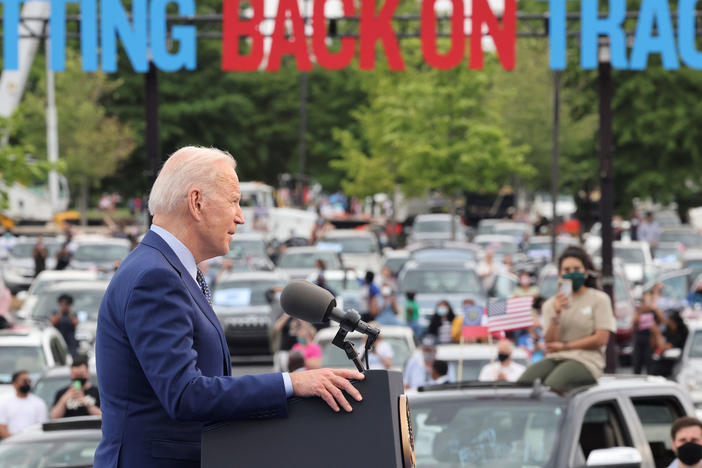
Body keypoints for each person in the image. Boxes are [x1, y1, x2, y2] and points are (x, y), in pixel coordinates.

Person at [94, 146, 363, 467]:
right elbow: (185, 394)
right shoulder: (155, 276)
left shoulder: (167, 269)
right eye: (234, 201)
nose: (241, 216)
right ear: (197, 202)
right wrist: (293, 383)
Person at [517, 246, 615, 391]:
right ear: (560, 275)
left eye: (576, 269)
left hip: (586, 360)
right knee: (523, 384)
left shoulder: (599, 299)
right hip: (556, 358)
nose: (572, 274)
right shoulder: (551, 304)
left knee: (552, 385)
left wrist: (565, 346)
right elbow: (550, 343)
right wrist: (556, 314)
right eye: (567, 270)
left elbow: (601, 339)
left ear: (586, 272)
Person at [0, 371, 48, 439]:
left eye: (29, 381)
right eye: (24, 381)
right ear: (15, 383)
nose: (27, 383)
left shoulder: (39, 403)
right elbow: (2, 427)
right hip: (10, 444)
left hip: (34, 443)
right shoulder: (4, 403)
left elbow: (42, 426)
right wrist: (13, 442)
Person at [632, 290, 663, 374]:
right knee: (637, 364)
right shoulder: (639, 310)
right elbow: (634, 322)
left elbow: (661, 320)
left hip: (650, 339)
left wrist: (654, 308)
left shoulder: (654, 310)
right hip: (639, 339)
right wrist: (642, 310)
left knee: (649, 364)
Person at [49, 294, 79, 359]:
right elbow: (53, 322)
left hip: (70, 342)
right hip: (58, 339)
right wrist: (61, 312)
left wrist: (68, 313)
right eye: (62, 304)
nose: (64, 306)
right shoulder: (56, 313)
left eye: (66, 304)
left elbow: (76, 323)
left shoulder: (72, 314)